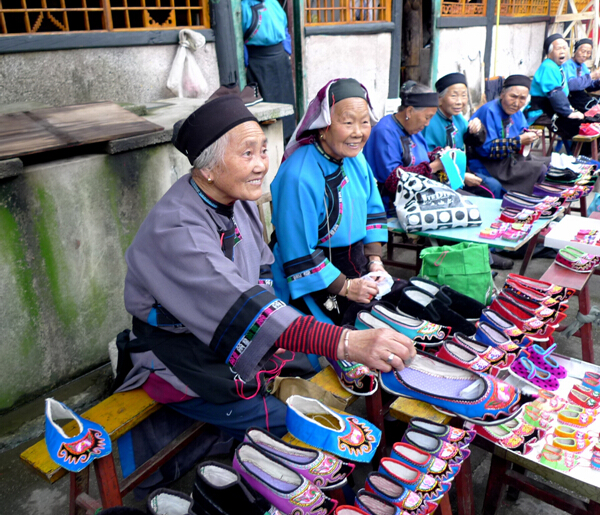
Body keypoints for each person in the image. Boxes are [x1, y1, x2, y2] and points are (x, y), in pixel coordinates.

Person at [114, 95, 415, 438]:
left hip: (229, 325)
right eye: (247, 153)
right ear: (207, 168)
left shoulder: (235, 200)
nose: (261, 165)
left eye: (262, 150)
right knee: (288, 420)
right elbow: (248, 309)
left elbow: (263, 270)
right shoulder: (179, 231)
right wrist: (348, 342)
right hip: (179, 349)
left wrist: (286, 329)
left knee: (311, 363)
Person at [272, 78, 406, 327]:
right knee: (381, 326)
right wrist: (345, 287)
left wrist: (375, 262)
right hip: (317, 275)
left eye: (364, 121)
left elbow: (373, 211)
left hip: (358, 261)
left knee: (411, 301)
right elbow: (299, 250)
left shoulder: (356, 159)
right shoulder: (298, 176)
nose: (358, 131)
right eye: (348, 122)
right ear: (324, 125)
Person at [469, 75, 549, 198]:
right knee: (539, 170)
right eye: (513, 96)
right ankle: (528, 206)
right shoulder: (489, 111)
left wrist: (530, 136)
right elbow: (487, 150)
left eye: (522, 98)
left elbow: (521, 133)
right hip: (488, 163)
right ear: (502, 94)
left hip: (510, 158)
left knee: (550, 163)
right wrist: (519, 141)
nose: (516, 103)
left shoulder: (517, 113)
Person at [362, 81, 441, 202]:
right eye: (427, 117)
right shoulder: (384, 132)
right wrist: (433, 167)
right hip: (390, 207)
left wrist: (438, 156)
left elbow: (421, 157)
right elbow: (393, 180)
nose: (427, 123)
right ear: (409, 111)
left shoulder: (414, 130)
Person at [422, 72, 492, 197]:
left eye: (464, 96)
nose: (460, 102)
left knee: (493, 187)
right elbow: (428, 161)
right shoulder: (429, 121)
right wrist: (461, 176)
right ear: (439, 99)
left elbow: (473, 142)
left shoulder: (459, 119)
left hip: (460, 171)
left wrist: (477, 130)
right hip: (438, 178)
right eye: (454, 96)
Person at [241, 0, 296, 140]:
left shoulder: (273, 3)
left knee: (286, 99)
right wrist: (246, 63)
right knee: (266, 101)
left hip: (280, 59)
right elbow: (239, 39)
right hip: (258, 61)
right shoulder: (243, 7)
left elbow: (284, 29)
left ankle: (289, 137)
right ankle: (270, 140)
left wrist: (287, 52)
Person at [526, 34, 585, 141]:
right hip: (542, 110)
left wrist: (568, 108)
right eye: (558, 49)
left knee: (586, 118)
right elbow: (555, 93)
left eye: (564, 48)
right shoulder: (548, 67)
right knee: (579, 127)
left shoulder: (557, 66)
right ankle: (579, 155)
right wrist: (568, 112)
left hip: (553, 108)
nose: (562, 51)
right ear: (549, 53)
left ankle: (577, 152)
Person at [563, 38, 600, 112]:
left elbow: (588, 86)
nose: (585, 55)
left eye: (588, 53)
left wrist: (599, 81)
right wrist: (591, 76)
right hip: (571, 100)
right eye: (583, 51)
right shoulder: (568, 65)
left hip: (582, 98)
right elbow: (572, 85)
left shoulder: (583, 66)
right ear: (575, 51)